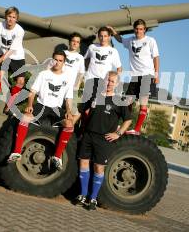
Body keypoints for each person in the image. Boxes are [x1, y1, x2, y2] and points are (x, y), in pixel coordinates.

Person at [8, 51, 81, 171]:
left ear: (64, 63)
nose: (57, 62)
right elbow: (33, 93)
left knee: (69, 124)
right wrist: (30, 105)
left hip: (56, 109)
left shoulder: (67, 79)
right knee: (25, 117)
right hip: (42, 105)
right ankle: (16, 152)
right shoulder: (43, 74)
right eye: (55, 60)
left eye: (60, 60)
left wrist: (68, 110)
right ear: (52, 60)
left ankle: (57, 157)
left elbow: (68, 98)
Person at [74, 71, 132, 210]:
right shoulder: (95, 96)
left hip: (104, 139)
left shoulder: (119, 101)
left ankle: (93, 198)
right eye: (108, 80)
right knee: (83, 163)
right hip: (88, 135)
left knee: (98, 168)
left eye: (112, 81)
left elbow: (128, 120)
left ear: (117, 84)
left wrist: (118, 133)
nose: (109, 83)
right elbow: (82, 110)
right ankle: (82, 195)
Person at [109, 19, 159, 135]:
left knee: (143, 101)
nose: (138, 31)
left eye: (141, 29)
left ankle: (137, 129)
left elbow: (156, 58)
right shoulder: (131, 41)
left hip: (147, 74)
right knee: (128, 102)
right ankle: (124, 126)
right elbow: (120, 40)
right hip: (134, 76)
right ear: (134, 29)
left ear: (144, 30)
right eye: (136, 29)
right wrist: (112, 31)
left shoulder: (150, 41)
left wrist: (156, 75)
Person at [83, 27, 122, 102]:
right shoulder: (92, 47)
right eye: (101, 36)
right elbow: (85, 59)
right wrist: (87, 72)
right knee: (85, 106)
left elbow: (119, 68)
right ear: (98, 36)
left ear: (109, 37)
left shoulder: (113, 51)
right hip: (90, 80)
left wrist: (115, 82)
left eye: (105, 36)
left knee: (98, 106)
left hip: (103, 83)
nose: (103, 38)